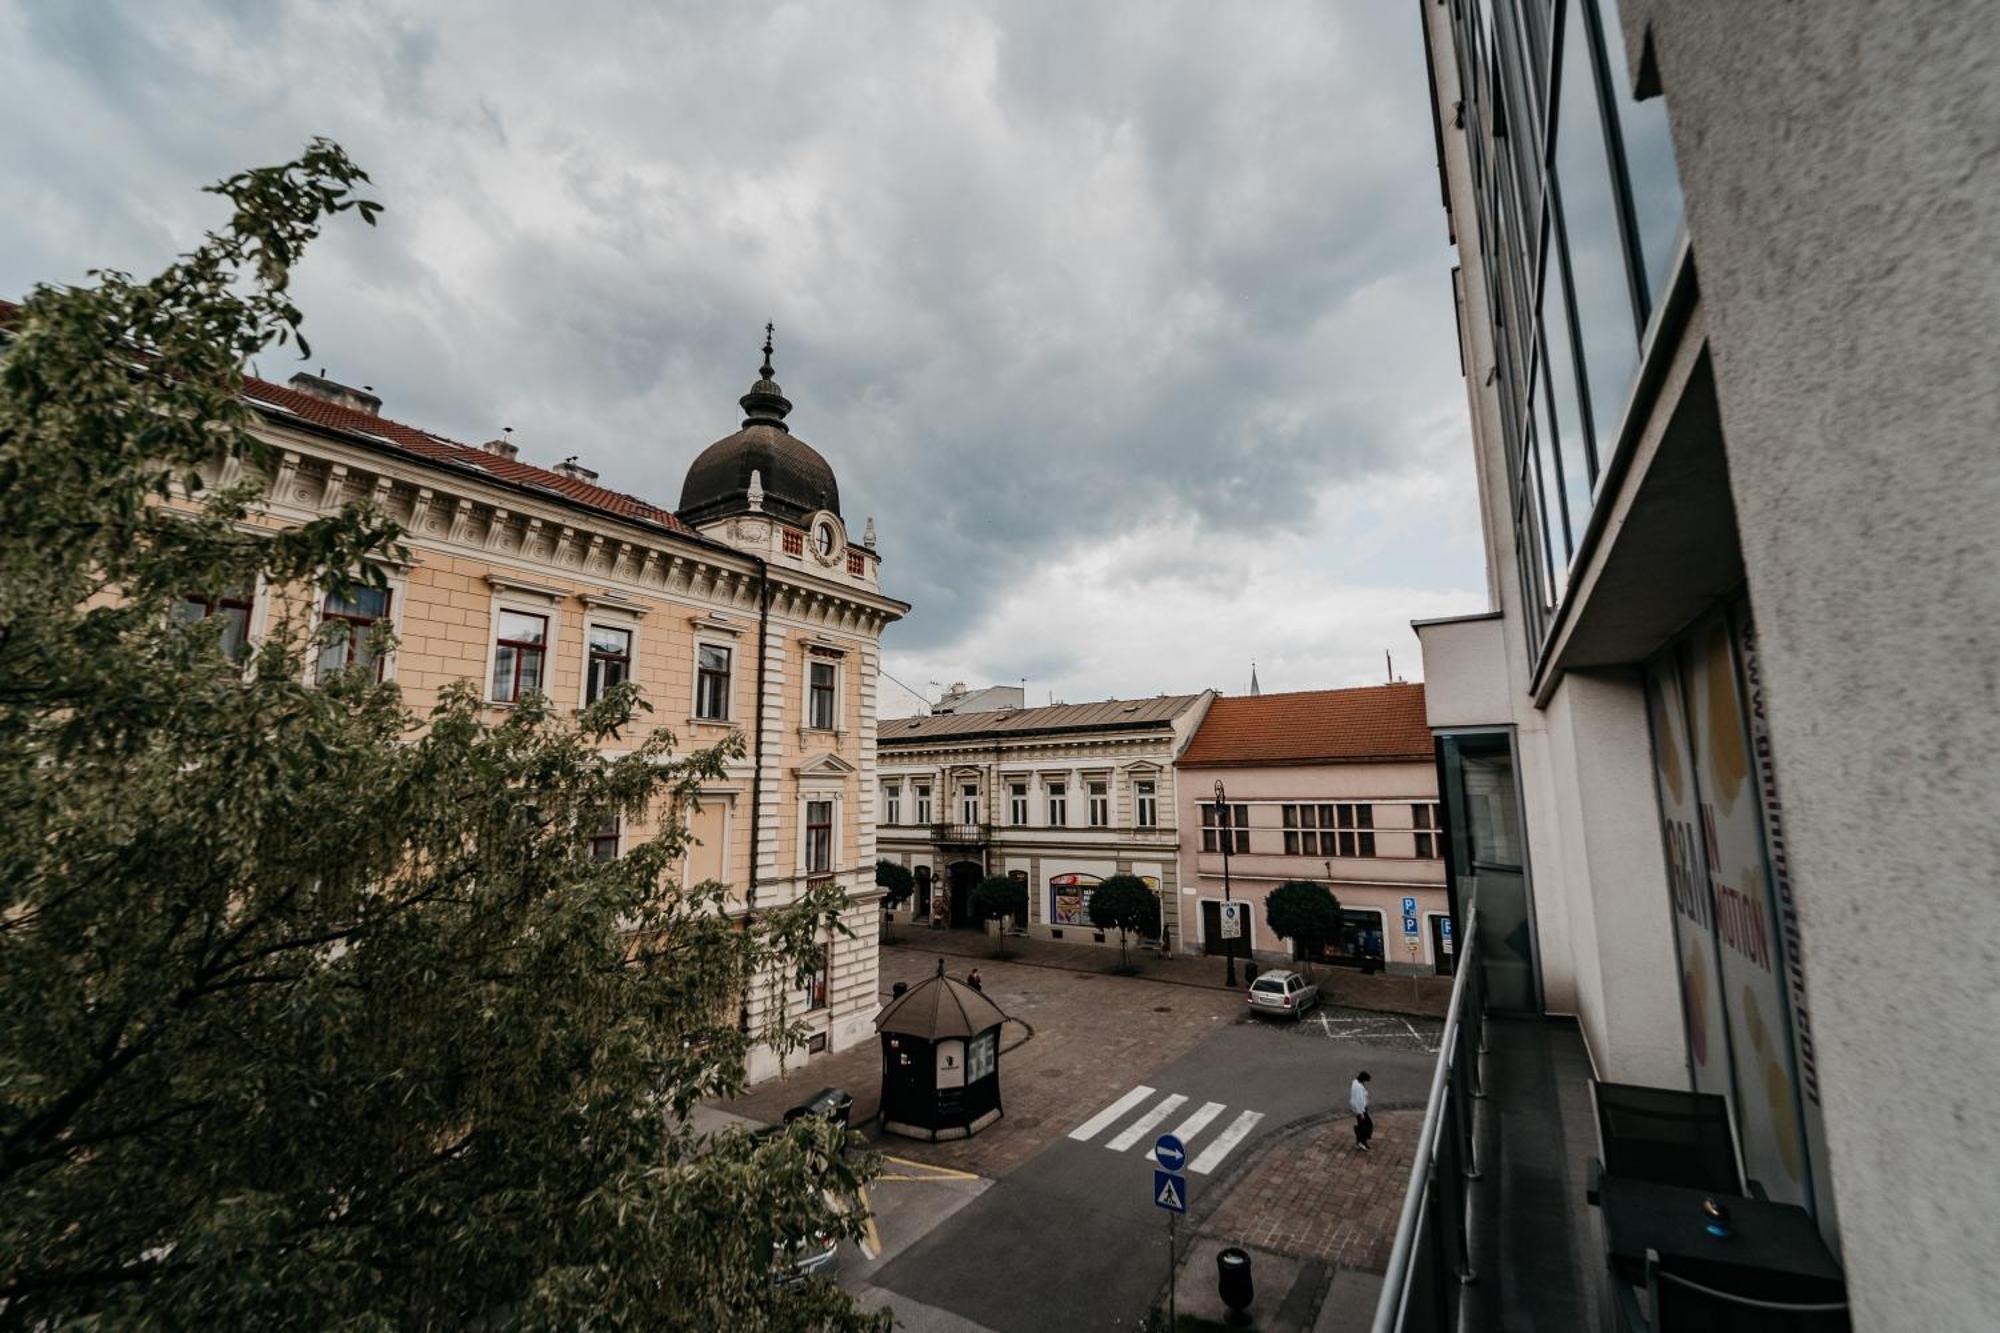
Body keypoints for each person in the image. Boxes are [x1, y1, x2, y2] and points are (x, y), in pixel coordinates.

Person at [1350, 1070, 1374, 1151]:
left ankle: (1360, 1141)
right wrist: (1361, 1113)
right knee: (1367, 1126)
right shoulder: (1358, 1087)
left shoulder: (1357, 1083)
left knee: (1363, 1125)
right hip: (1361, 1111)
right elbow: (1358, 1101)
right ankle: (1361, 1142)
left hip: (1361, 1110)